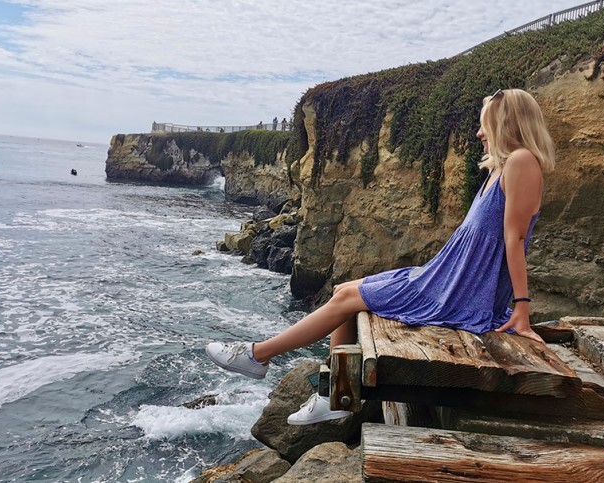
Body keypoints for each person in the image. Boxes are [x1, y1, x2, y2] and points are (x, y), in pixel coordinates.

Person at [206, 89, 555, 425]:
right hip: (445, 277)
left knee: (346, 298)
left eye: (485, 124)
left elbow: (516, 238)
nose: (479, 132)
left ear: (508, 124)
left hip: (459, 292)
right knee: (344, 290)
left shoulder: (522, 161)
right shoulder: (501, 167)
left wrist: (521, 309)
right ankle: (333, 394)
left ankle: (260, 357)